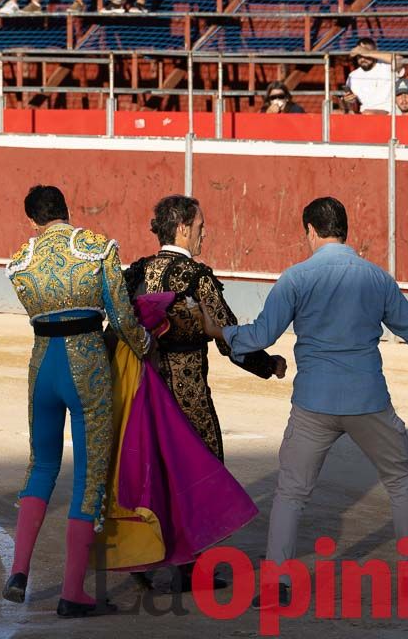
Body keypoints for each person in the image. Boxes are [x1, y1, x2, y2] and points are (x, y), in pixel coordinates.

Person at [201, 196, 408, 607]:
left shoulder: (296, 278)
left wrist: (219, 332)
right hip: (367, 398)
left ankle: (277, 583)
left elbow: (261, 335)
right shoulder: (376, 278)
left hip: (314, 401)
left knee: (291, 492)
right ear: (345, 231)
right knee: (400, 482)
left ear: (311, 231)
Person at [116, 195, 285, 589]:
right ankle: (192, 568)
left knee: (150, 467)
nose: (204, 233)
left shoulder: (136, 273)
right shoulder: (196, 276)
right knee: (201, 469)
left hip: (144, 391)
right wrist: (267, 364)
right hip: (187, 392)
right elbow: (227, 337)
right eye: (200, 226)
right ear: (182, 228)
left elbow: (120, 326)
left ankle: (143, 558)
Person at [2, 185, 152, 618]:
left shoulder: (20, 262)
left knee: (42, 465)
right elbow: (121, 316)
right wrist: (143, 345)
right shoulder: (97, 248)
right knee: (89, 475)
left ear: (32, 221)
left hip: (41, 368)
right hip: (86, 364)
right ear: (68, 211)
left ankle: (18, 572)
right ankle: (72, 592)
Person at [343, 39, 406, 115]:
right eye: (359, 55)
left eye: (366, 55)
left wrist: (367, 52)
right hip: (364, 113)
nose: (363, 59)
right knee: (336, 113)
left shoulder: (387, 66)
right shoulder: (353, 76)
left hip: (389, 112)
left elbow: (400, 60)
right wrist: (348, 101)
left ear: (374, 52)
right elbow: (352, 107)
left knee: (368, 114)